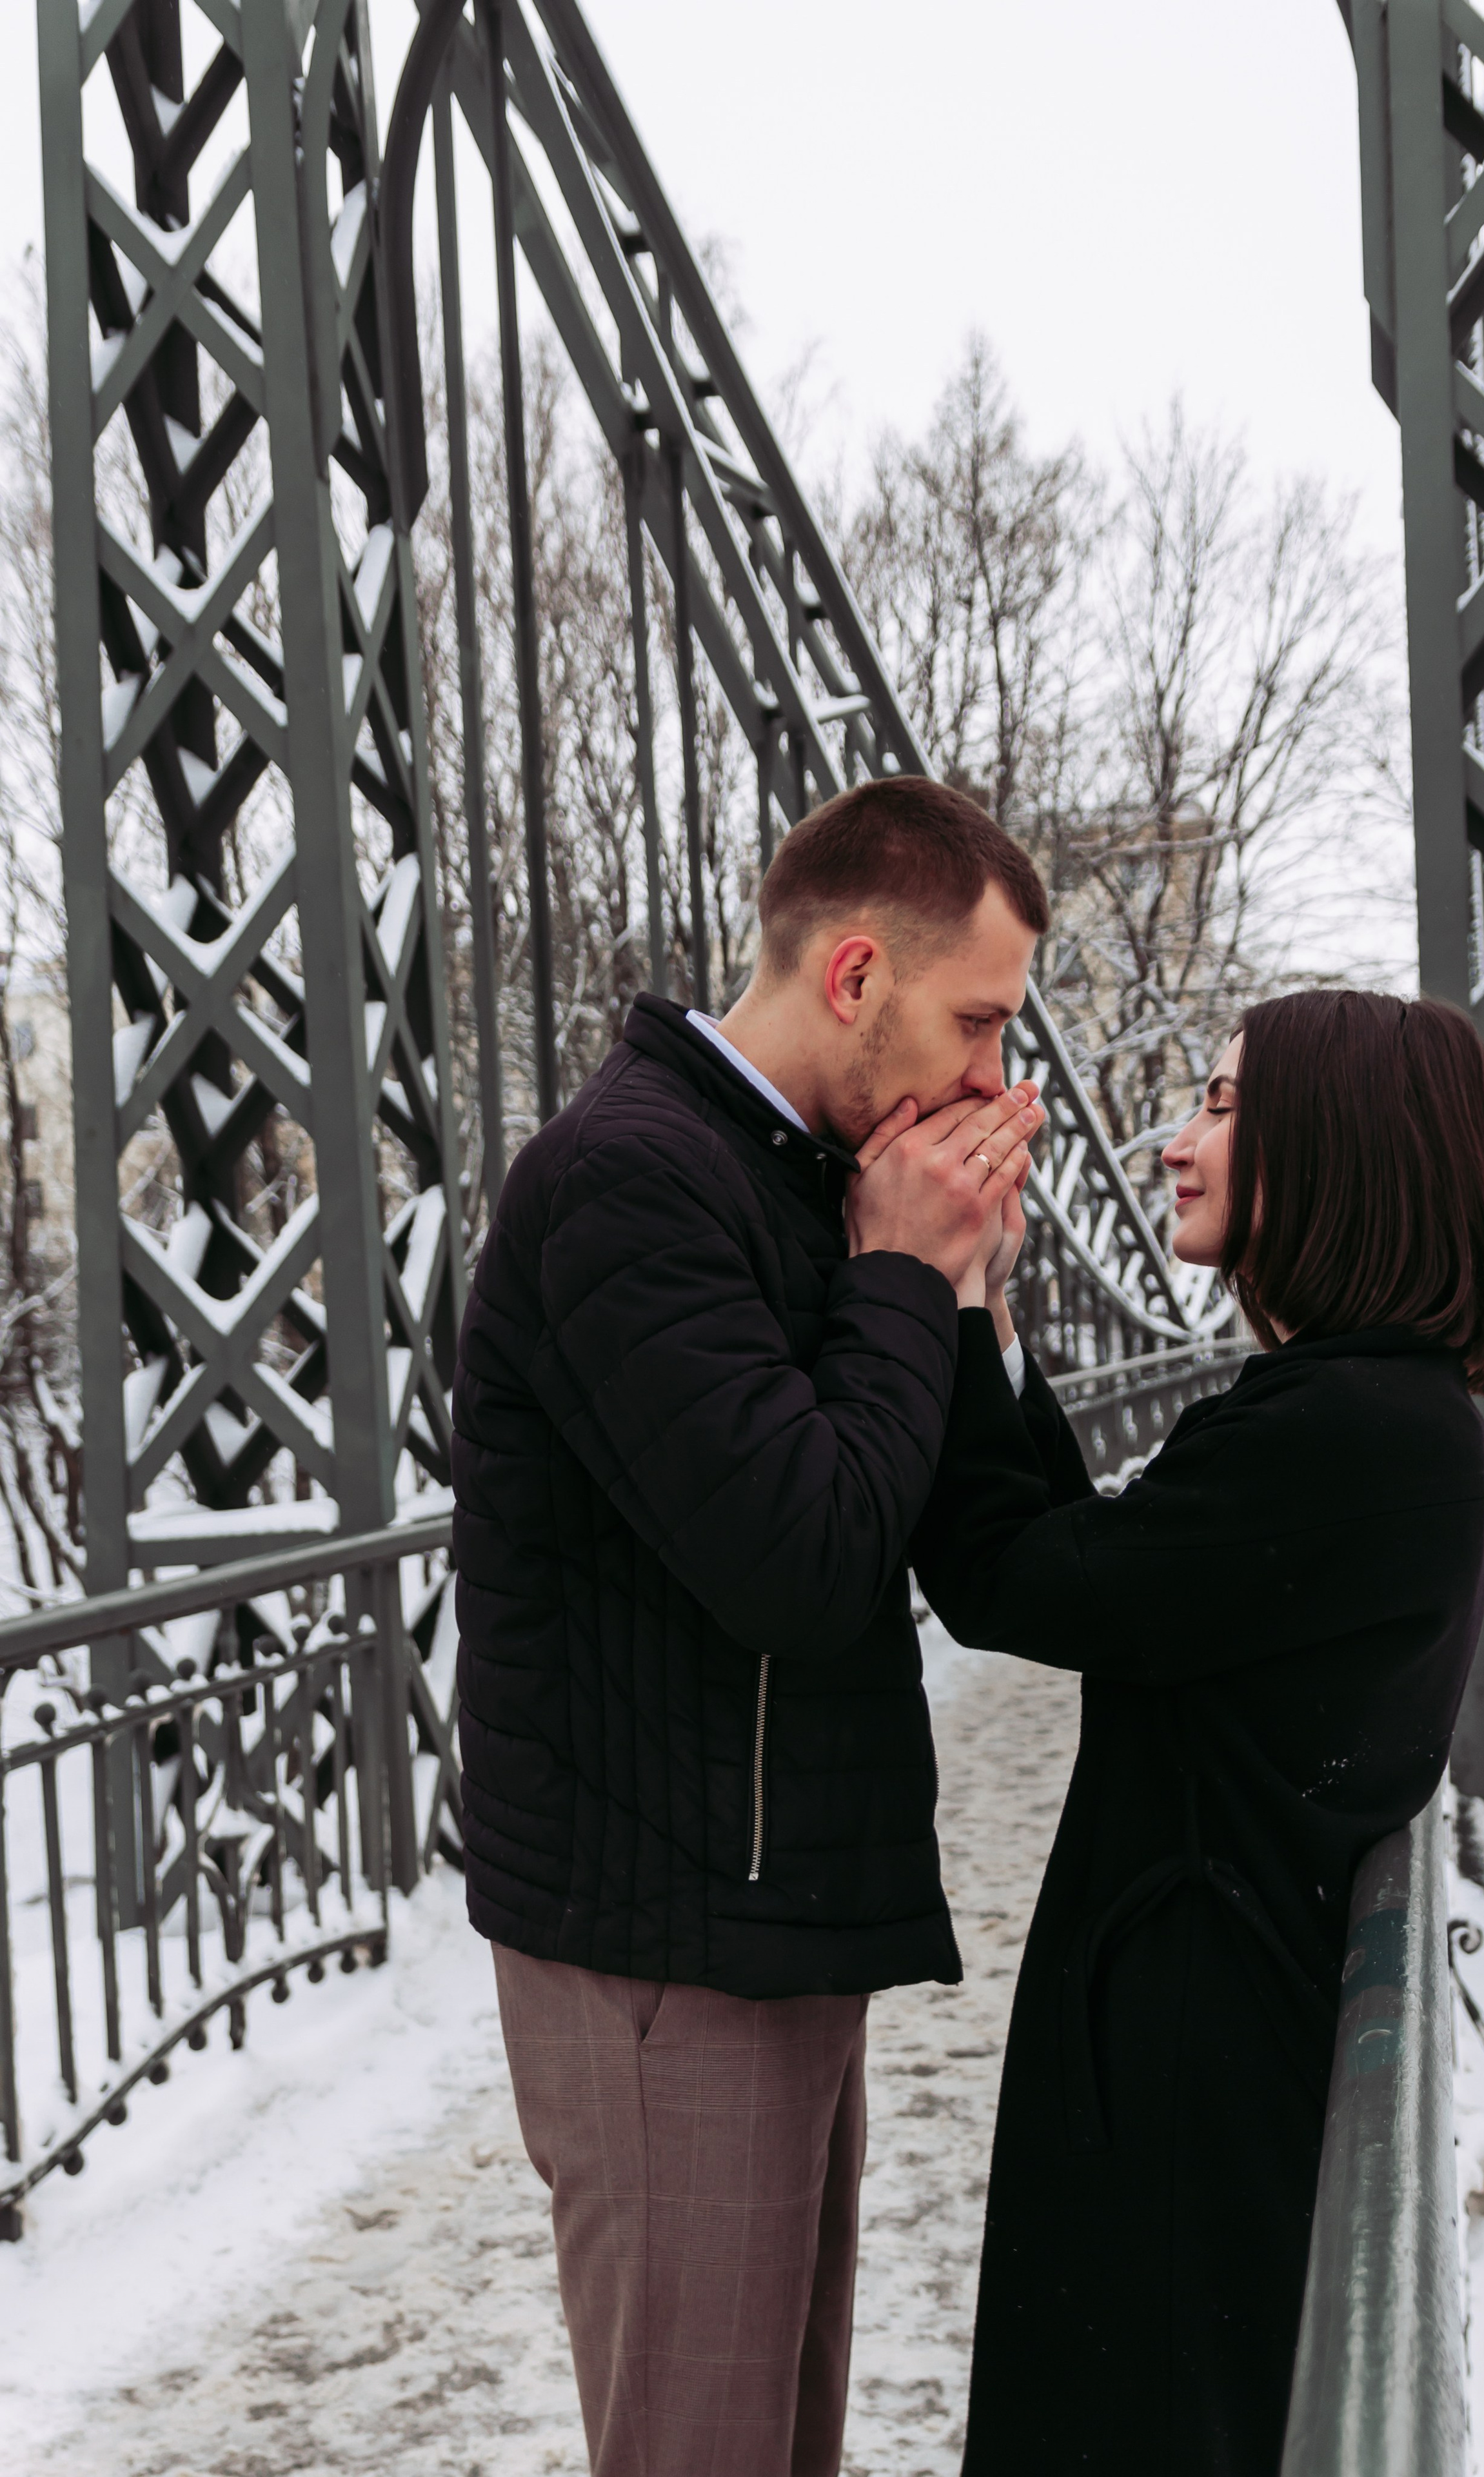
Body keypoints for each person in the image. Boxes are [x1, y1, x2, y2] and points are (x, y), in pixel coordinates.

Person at [449, 777, 1050, 2477]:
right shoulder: (623, 1184)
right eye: (980, 1022)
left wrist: (962, 1286)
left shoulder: (816, 1185)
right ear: (856, 978)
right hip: (663, 1955)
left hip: (771, 1926)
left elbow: (946, 1538)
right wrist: (898, 1281)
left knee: (778, 2447)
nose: (996, 1082)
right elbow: (795, 1556)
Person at [896, 989, 1484, 2476]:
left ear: (1338, 1153)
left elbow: (1014, 1578)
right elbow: (1100, 1565)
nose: (1174, 1143)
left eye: (1225, 1107)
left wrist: (913, 1287)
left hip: (1189, 2091)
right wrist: (980, 1305)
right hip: (1212, 2045)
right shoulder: (1364, 1415)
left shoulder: (1344, 1437)